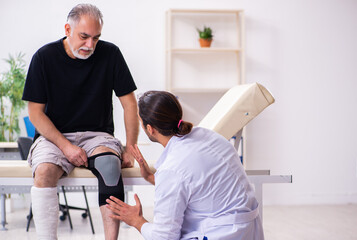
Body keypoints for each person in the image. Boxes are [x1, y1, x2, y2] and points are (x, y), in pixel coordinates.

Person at [22, 4, 139, 240]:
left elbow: (130, 104)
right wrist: (66, 146)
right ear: (68, 29)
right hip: (53, 136)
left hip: (97, 134)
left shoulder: (111, 54)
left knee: (109, 165)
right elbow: (35, 114)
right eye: (84, 37)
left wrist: (131, 148)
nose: (90, 45)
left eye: (96, 38)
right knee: (43, 172)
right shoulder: (44, 58)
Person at [106, 91, 264, 240]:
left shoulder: (172, 168)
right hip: (249, 229)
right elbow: (200, 184)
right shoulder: (209, 136)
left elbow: (165, 237)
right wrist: (153, 178)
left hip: (222, 234)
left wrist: (136, 221)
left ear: (150, 129)